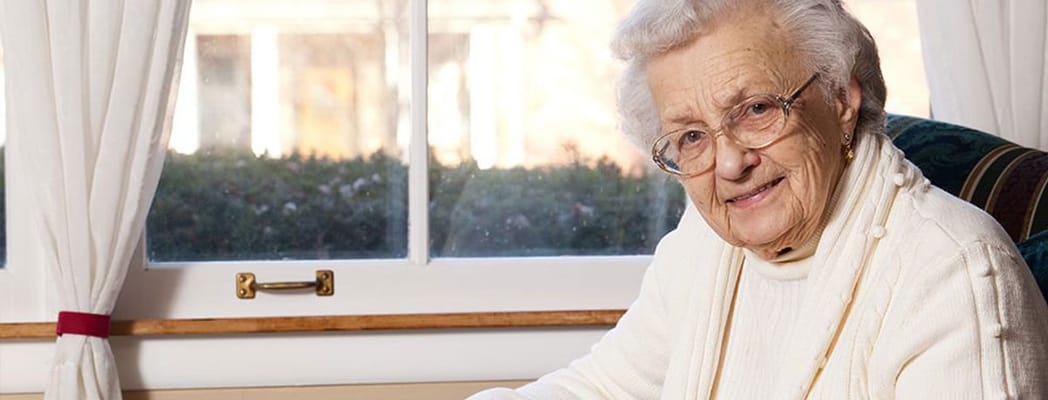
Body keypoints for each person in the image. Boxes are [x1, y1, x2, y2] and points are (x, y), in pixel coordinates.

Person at [469, 0, 1048, 398]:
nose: (729, 164)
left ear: (841, 99)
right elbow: (604, 388)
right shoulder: (707, 241)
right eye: (692, 136)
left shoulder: (958, 280)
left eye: (756, 110)